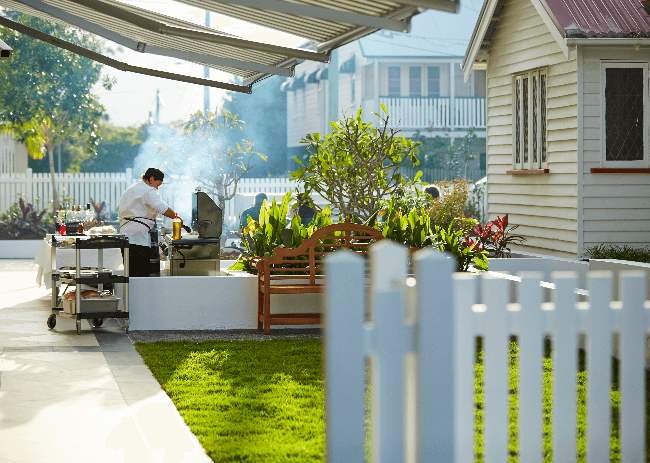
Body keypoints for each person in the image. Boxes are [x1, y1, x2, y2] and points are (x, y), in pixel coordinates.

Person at [119, 168, 182, 277]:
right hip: (139, 238)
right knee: (141, 274)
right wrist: (177, 217)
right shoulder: (148, 190)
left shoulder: (129, 191)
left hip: (125, 235)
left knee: (130, 273)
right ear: (151, 179)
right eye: (158, 185)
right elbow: (161, 207)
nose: (157, 188)